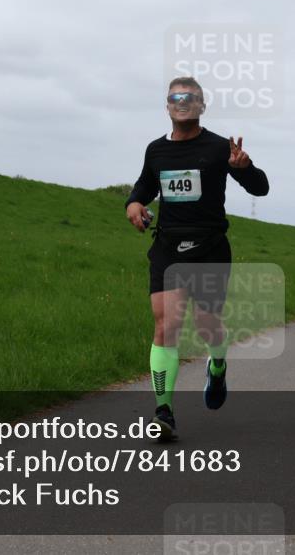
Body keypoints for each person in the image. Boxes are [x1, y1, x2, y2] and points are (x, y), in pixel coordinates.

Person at [125, 76, 270, 441]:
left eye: (190, 97)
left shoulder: (220, 148)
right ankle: (163, 411)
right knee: (166, 325)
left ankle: (217, 365)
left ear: (202, 106)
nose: (182, 102)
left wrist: (244, 168)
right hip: (168, 248)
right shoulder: (156, 150)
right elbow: (144, 186)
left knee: (207, 325)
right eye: (176, 97)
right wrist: (134, 204)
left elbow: (261, 188)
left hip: (209, 248)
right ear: (167, 105)